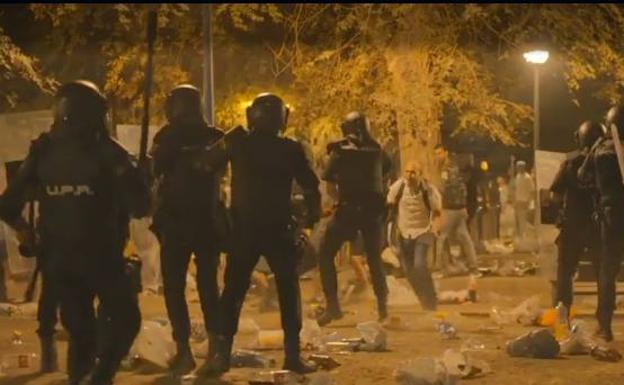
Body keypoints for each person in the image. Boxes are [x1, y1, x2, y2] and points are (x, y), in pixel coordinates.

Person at [0, 80, 150, 385]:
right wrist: (140, 178)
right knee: (125, 320)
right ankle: (99, 376)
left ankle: (84, 378)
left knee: (81, 334)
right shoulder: (109, 153)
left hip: (60, 263)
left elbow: (7, 206)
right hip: (102, 259)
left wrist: (25, 232)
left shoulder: (42, 152)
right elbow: (141, 207)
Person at [198, 93, 321, 376]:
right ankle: (292, 355)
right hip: (277, 228)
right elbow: (312, 188)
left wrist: (218, 212)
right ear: (281, 117)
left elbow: (205, 164)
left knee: (233, 292)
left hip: (246, 228)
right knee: (288, 291)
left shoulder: (238, 140)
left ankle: (221, 356)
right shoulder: (289, 147)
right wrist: (307, 223)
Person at [149, 84, 226, 375]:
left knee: (175, 287)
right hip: (206, 221)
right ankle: (216, 350)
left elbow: (156, 171)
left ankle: (184, 351)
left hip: (178, 221)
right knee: (208, 287)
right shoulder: (216, 137)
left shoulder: (167, 136)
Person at [315, 111, 392, 326]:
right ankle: (383, 308)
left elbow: (328, 178)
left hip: (349, 209)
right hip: (373, 211)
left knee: (325, 253)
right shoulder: (377, 150)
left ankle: (333, 307)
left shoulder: (340, 151)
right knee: (374, 259)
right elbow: (386, 170)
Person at [579, 106, 624, 342]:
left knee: (608, 270)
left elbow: (582, 176)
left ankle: (605, 325)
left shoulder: (601, 150)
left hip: (612, 214)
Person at [551, 121, 603, 314]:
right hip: (598, 224)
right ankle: (603, 319)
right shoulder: (606, 163)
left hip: (573, 224)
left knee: (565, 270)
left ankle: (562, 311)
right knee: (603, 272)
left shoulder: (571, 163)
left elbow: (555, 195)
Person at [386, 161, 442, 310]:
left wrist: (435, 229)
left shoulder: (428, 190)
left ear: (420, 175)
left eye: (413, 173)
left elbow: (437, 212)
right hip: (404, 232)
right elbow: (389, 204)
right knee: (409, 271)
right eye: (407, 172)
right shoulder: (399, 187)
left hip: (423, 231)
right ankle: (423, 298)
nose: (409, 176)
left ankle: (431, 298)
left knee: (420, 265)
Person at [433, 145, 479, 276]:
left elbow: (447, 189)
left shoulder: (447, 169)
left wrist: (440, 205)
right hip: (460, 208)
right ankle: (474, 267)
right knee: (465, 238)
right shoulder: (455, 167)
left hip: (450, 209)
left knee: (441, 238)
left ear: (446, 153)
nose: (438, 156)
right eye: (436, 154)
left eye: (440, 153)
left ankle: (438, 269)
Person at [512, 160, 535, 239]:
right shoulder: (517, 176)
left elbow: (532, 191)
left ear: (523, 167)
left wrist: (529, 201)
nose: (518, 168)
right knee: (517, 221)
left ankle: (523, 238)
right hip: (518, 201)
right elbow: (516, 189)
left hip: (524, 201)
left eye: (519, 167)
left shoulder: (528, 178)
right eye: (517, 167)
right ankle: (519, 238)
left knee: (523, 221)